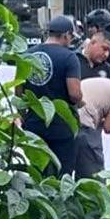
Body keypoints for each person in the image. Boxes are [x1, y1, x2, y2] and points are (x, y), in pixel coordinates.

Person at [21, 16, 82, 176]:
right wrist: (82, 101)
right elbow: (74, 94)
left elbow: (18, 92)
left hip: (34, 125)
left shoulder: (28, 55)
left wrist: (22, 117)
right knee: (62, 174)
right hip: (61, 126)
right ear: (66, 35)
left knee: (36, 173)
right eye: (70, 37)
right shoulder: (69, 57)